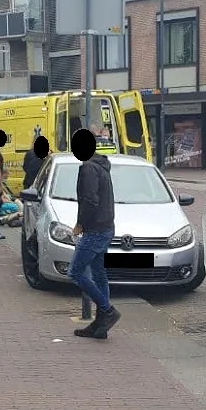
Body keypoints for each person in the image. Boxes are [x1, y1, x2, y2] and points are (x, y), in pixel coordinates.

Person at [67, 129, 120, 340]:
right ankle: (101, 324)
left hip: (95, 229)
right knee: (98, 273)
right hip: (106, 226)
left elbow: (90, 200)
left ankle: (106, 311)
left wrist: (80, 223)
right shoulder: (101, 166)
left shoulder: (89, 168)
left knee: (75, 272)